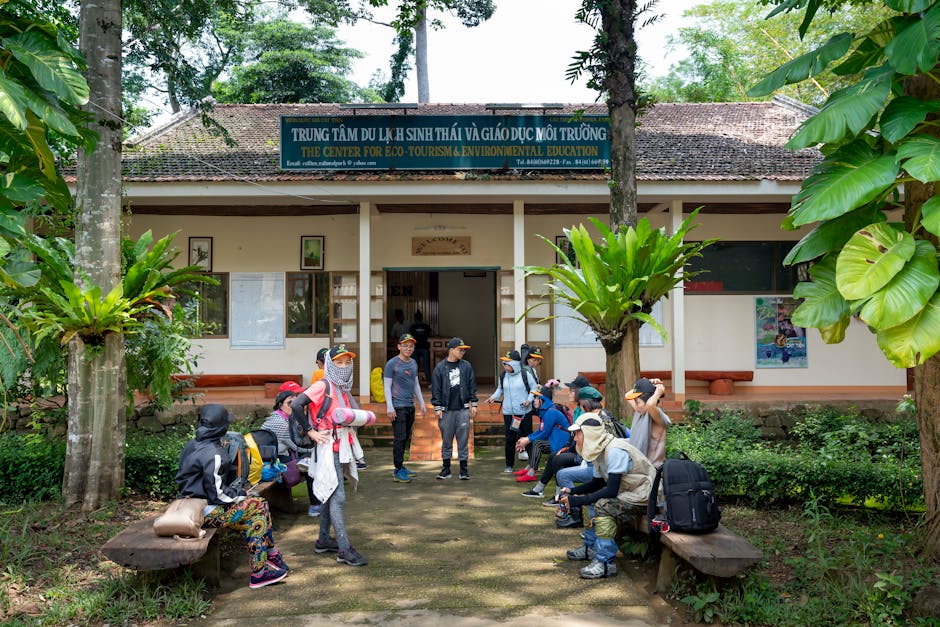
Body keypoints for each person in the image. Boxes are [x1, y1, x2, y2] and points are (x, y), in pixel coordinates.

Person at [175, 404, 289, 589]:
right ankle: (269, 558)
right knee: (259, 505)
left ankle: (261, 571)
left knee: (256, 519)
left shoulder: (193, 444)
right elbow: (219, 495)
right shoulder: (215, 453)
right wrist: (241, 494)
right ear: (221, 428)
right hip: (205, 512)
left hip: (191, 503)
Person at [290, 344, 368, 567]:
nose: (343, 366)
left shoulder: (341, 388)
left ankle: (324, 539)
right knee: (338, 496)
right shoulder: (323, 385)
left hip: (340, 445)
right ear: (330, 365)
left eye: (347, 362)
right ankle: (344, 549)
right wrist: (310, 431)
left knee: (329, 490)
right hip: (327, 447)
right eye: (339, 362)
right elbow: (296, 405)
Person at [560, 413, 657, 579]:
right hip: (629, 493)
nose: (575, 438)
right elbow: (598, 484)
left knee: (602, 505)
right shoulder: (600, 450)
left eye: (577, 433)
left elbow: (611, 491)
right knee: (594, 498)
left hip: (644, 495)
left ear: (589, 433)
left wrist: (578, 500)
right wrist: (573, 492)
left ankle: (605, 563)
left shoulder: (614, 451)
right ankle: (590, 547)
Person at [260, 381, 323, 517]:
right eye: (290, 403)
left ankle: (317, 503)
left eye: (296, 403)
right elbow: (298, 445)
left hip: (278, 456)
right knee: (309, 464)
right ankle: (315, 506)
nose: (294, 406)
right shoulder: (281, 422)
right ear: (280, 405)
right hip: (272, 462)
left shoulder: (286, 417)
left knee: (310, 460)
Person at [430, 337, 478, 480]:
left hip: (462, 409)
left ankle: (464, 469)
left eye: (463, 350)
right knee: (446, 440)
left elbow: (471, 385)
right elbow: (436, 389)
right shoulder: (440, 367)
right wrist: (437, 407)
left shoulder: (466, 366)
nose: (462, 352)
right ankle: (446, 469)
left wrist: (473, 404)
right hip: (446, 410)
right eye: (460, 349)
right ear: (451, 350)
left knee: (463, 440)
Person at [383, 333, 426, 483]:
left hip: (410, 406)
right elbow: (387, 387)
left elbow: (416, 384)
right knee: (399, 438)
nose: (408, 348)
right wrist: (390, 407)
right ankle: (397, 469)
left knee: (406, 437)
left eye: (411, 346)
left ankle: (401, 466)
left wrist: (421, 402)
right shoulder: (392, 364)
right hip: (398, 407)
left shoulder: (413, 363)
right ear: (399, 347)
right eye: (405, 345)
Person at [487, 350, 535, 474]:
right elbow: (500, 389)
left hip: (524, 412)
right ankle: (509, 464)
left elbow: (534, 389)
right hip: (508, 412)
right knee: (510, 438)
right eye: (504, 364)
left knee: (527, 437)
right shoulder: (503, 375)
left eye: (508, 364)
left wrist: (529, 400)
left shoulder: (525, 374)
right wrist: (494, 397)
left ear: (515, 364)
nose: (505, 366)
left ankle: (533, 464)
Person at [514, 384, 570, 483]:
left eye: (536, 398)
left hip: (560, 443)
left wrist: (527, 440)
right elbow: (541, 430)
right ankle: (529, 467)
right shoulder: (545, 411)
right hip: (553, 440)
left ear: (543, 400)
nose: (534, 400)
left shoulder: (550, 412)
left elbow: (544, 434)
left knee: (537, 443)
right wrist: (526, 438)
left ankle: (531, 473)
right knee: (531, 441)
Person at [625, 377, 672, 468]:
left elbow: (650, 405)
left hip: (652, 470)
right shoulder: (641, 411)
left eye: (637, 402)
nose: (636, 406)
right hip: (639, 467)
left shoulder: (658, 416)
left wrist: (658, 392)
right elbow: (627, 395)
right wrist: (648, 383)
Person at [408, 311, 433, 383]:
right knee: (426, 366)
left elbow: (409, 336)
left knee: (414, 366)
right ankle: (429, 382)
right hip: (424, 348)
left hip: (415, 348)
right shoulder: (426, 326)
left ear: (415, 318)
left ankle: (414, 382)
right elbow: (431, 334)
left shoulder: (413, 327)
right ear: (422, 318)